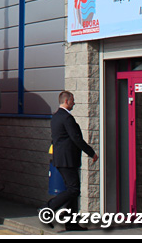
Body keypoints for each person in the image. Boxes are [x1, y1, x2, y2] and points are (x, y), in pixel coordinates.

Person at [44, 90, 98, 231]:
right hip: (67, 160)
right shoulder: (67, 118)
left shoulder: (55, 117)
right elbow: (75, 138)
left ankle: (71, 222)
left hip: (62, 159)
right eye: (73, 100)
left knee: (73, 190)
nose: (74, 103)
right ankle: (49, 208)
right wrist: (91, 153)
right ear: (67, 101)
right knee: (74, 189)